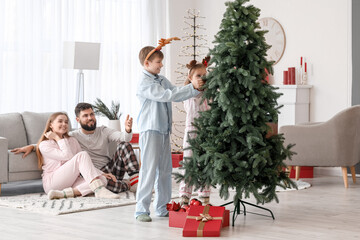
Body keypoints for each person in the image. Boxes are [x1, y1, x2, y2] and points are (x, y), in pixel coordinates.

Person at [135, 38, 203, 222]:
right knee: (149, 170)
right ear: (147, 63)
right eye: (158, 62)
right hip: (150, 130)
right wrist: (192, 88)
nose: (161, 65)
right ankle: (141, 209)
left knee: (165, 170)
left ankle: (162, 207)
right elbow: (168, 96)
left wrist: (195, 89)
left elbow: (175, 90)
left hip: (164, 130)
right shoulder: (145, 83)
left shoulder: (162, 79)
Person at [11, 103, 140, 194]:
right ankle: (124, 184)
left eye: (92, 114)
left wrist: (128, 130)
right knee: (104, 183)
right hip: (90, 173)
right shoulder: (73, 136)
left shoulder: (102, 131)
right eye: (85, 116)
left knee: (124, 145)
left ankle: (135, 182)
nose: (90, 118)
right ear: (78, 120)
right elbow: (51, 144)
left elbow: (125, 137)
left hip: (107, 169)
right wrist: (32, 146)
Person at [36, 112, 120, 199]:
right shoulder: (44, 145)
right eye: (60, 121)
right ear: (51, 125)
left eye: (66, 122)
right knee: (82, 155)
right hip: (53, 182)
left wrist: (102, 173)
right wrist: (57, 138)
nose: (64, 124)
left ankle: (63, 194)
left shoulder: (72, 141)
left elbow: (83, 164)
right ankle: (99, 190)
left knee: (102, 180)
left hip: (71, 181)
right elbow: (67, 156)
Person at [178, 57, 211, 206]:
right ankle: (185, 197)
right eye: (198, 76)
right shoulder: (188, 93)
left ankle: (204, 197)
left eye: (204, 75)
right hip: (191, 133)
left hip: (206, 133)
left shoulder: (209, 93)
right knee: (189, 164)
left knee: (205, 164)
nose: (202, 78)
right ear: (190, 78)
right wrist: (193, 87)